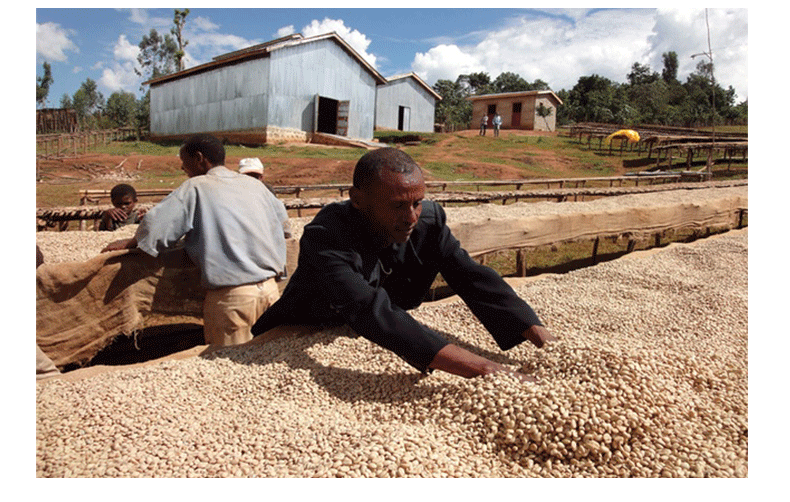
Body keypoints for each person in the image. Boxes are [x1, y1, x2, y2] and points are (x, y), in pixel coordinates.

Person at [252, 148, 556, 381]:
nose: (411, 217)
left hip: (372, 329)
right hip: (303, 328)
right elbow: (367, 308)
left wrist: (543, 339)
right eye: (397, 205)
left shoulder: (428, 222)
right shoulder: (328, 235)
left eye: (417, 202)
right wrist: (486, 369)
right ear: (357, 200)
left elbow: (472, 277)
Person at [102, 134, 290, 347]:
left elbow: (157, 227)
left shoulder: (196, 187)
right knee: (261, 363)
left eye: (185, 163)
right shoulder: (256, 187)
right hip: (271, 293)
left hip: (233, 300)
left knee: (229, 365)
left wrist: (134, 241)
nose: (184, 169)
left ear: (199, 158)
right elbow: (284, 229)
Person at [238, 157, 292, 239]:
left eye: (255, 177)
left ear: (261, 177)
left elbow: (285, 228)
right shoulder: (236, 195)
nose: (251, 180)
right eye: (247, 177)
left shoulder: (269, 193)